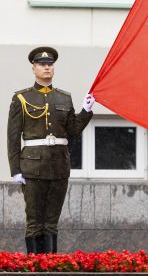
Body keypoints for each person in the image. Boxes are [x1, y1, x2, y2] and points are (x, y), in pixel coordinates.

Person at [7, 47, 95, 254]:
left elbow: (73, 131)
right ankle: (34, 266)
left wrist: (87, 111)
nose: (47, 67)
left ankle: (50, 266)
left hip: (58, 166)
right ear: (33, 68)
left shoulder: (64, 98)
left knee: (52, 221)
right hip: (32, 167)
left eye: (50, 64)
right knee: (35, 220)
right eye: (42, 64)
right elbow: (12, 137)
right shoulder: (21, 98)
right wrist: (15, 169)